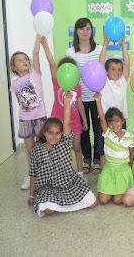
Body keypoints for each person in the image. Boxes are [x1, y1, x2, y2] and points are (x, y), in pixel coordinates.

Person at [28, 92, 97, 217]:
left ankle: (63, 205)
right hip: (48, 188)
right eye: (50, 133)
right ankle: (57, 204)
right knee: (48, 210)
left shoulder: (64, 143)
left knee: (92, 202)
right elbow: (33, 175)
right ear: (44, 133)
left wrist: (66, 104)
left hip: (69, 184)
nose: (54, 136)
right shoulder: (36, 151)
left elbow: (66, 123)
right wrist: (31, 194)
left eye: (57, 133)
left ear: (61, 134)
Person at [40, 37, 87, 176]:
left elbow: (79, 104)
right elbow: (51, 63)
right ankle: (57, 173)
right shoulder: (57, 83)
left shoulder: (77, 87)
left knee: (77, 148)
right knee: (57, 148)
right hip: (58, 123)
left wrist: (84, 120)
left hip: (75, 123)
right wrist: (46, 46)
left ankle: (80, 173)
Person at [65, 18, 103, 174]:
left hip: (96, 97)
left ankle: (97, 160)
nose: (85, 32)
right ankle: (86, 160)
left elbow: (102, 71)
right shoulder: (70, 52)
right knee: (83, 130)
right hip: (78, 99)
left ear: (91, 31)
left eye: (88, 28)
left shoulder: (99, 49)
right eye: (81, 29)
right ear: (76, 32)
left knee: (99, 130)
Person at [9, 36, 47, 190]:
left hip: (39, 118)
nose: (25, 61)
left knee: (43, 146)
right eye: (20, 60)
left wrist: (38, 38)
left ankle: (45, 173)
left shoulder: (35, 74)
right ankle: (32, 175)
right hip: (25, 120)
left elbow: (36, 54)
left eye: (26, 59)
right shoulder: (15, 83)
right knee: (30, 150)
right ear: (14, 66)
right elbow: (19, 101)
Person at [94, 92, 134, 205]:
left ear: (122, 121)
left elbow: (132, 153)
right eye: (110, 122)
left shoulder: (129, 137)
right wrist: (98, 101)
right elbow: (102, 118)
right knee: (103, 200)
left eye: (117, 121)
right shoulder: (108, 134)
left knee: (118, 201)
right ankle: (111, 188)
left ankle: (117, 190)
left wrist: (129, 166)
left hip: (122, 169)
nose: (114, 124)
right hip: (109, 169)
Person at [98, 35, 130, 168]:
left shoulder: (123, 81)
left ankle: (122, 168)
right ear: (106, 71)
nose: (117, 72)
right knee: (104, 147)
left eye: (119, 70)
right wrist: (105, 45)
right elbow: (100, 63)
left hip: (120, 120)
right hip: (106, 121)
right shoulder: (103, 82)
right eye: (113, 69)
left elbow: (127, 63)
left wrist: (123, 47)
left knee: (122, 145)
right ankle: (103, 169)